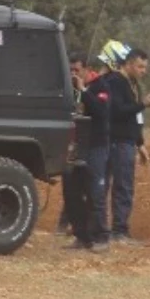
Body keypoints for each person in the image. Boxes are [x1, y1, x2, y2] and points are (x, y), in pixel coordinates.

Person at [105, 47, 150, 243]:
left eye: (145, 67)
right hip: (115, 141)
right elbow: (118, 111)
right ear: (128, 64)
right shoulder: (115, 82)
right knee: (118, 186)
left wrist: (140, 143)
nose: (143, 71)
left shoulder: (134, 84)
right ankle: (115, 231)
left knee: (124, 185)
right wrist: (143, 104)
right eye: (139, 66)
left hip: (128, 141)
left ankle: (119, 228)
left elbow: (134, 118)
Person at [80, 40, 131, 252]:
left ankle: (102, 235)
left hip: (100, 143)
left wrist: (83, 92)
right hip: (87, 142)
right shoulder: (98, 82)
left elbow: (102, 110)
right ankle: (85, 234)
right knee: (85, 190)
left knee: (98, 189)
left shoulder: (106, 85)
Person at [56, 51, 92, 237]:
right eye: (69, 70)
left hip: (87, 144)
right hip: (69, 143)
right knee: (68, 184)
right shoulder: (64, 90)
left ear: (85, 70)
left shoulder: (91, 88)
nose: (73, 74)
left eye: (76, 70)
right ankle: (64, 222)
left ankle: (83, 226)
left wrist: (83, 89)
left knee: (86, 187)